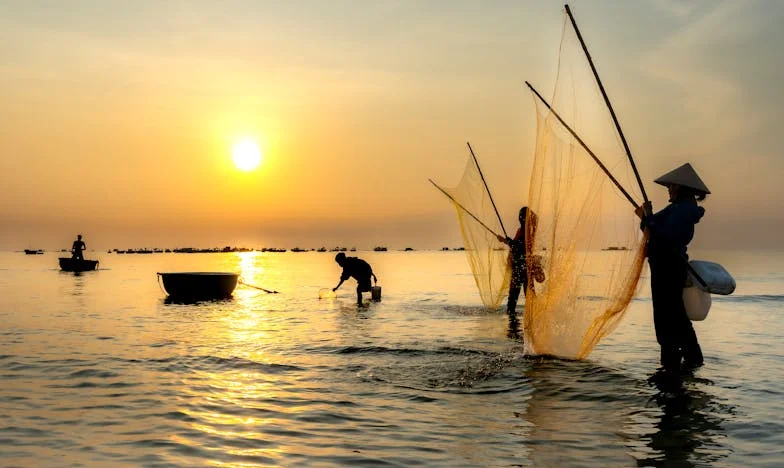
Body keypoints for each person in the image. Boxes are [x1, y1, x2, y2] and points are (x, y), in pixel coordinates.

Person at [636, 163, 709, 372]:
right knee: (672, 314)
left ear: (681, 188)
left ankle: (678, 360)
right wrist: (646, 217)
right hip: (665, 265)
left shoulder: (685, 209)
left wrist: (648, 217)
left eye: (671, 186)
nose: (668, 189)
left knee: (669, 315)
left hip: (669, 267)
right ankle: (683, 359)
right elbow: (652, 227)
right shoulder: (677, 208)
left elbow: (663, 234)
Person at [497, 206, 543, 328]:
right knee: (526, 297)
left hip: (521, 269)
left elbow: (518, 247)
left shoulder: (527, 232)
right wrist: (506, 240)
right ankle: (532, 320)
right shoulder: (526, 231)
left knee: (515, 301)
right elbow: (517, 246)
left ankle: (518, 325)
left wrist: (504, 240)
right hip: (523, 268)